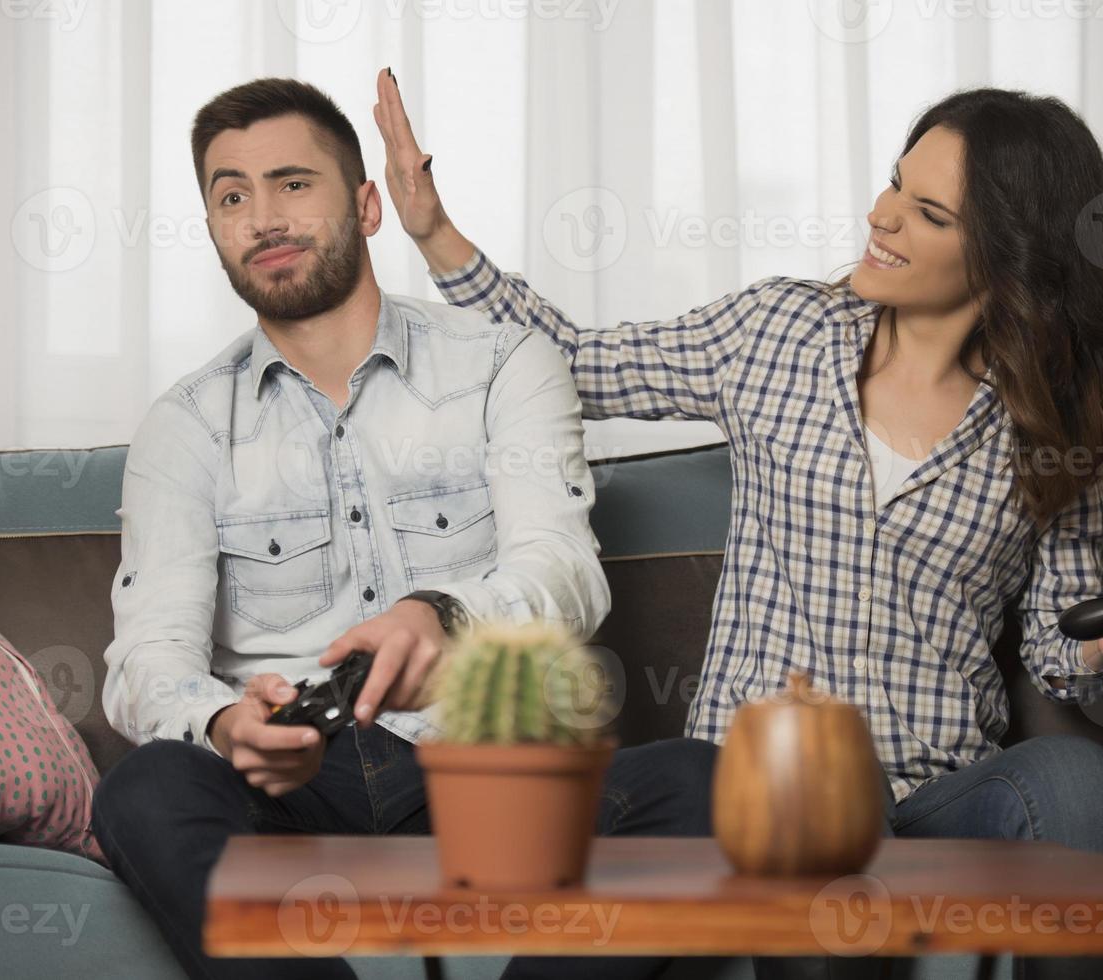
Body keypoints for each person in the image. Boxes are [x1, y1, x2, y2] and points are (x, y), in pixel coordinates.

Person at [379, 68, 1103, 980]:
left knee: (1087, 785)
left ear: (1006, 256)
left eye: (929, 213)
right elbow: (574, 361)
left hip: (936, 785)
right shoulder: (778, 332)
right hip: (760, 778)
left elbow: (1058, 637)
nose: (881, 215)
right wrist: (434, 233)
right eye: (895, 182)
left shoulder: (1053, 421)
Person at [92, 76, 717, 980]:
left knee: (707, 786)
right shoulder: (182, 428)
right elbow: (147, 661)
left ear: (368, 203)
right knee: (145, 789)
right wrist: (226, 722)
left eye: (293, 183)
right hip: (294, 791)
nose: (263, 216)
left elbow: (565, 573)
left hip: (493, 779)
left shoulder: (507, 364)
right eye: (232, 194)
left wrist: (443, 614)